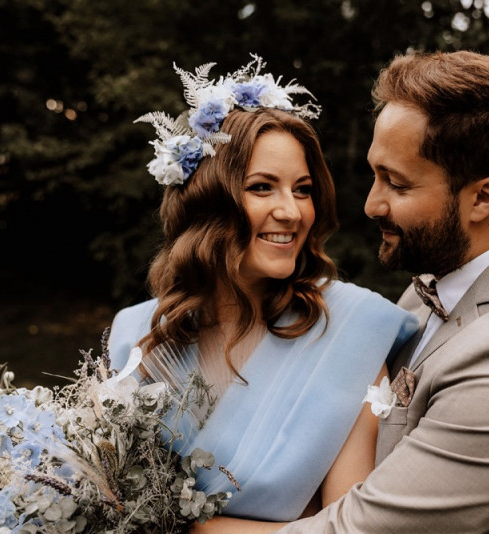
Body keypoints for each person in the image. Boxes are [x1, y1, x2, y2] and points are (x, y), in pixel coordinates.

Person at [199, 50, 489, 533]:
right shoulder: (426, 291)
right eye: (375, 174)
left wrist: (182, 525)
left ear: (483, 198)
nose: (371, 204)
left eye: (397, 183)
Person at [107, 56, 418, 525]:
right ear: (208, 199)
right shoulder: (137, 333)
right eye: (262, 187)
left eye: (303, 189)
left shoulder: (354, 330)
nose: (292, 212)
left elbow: (349, 524)